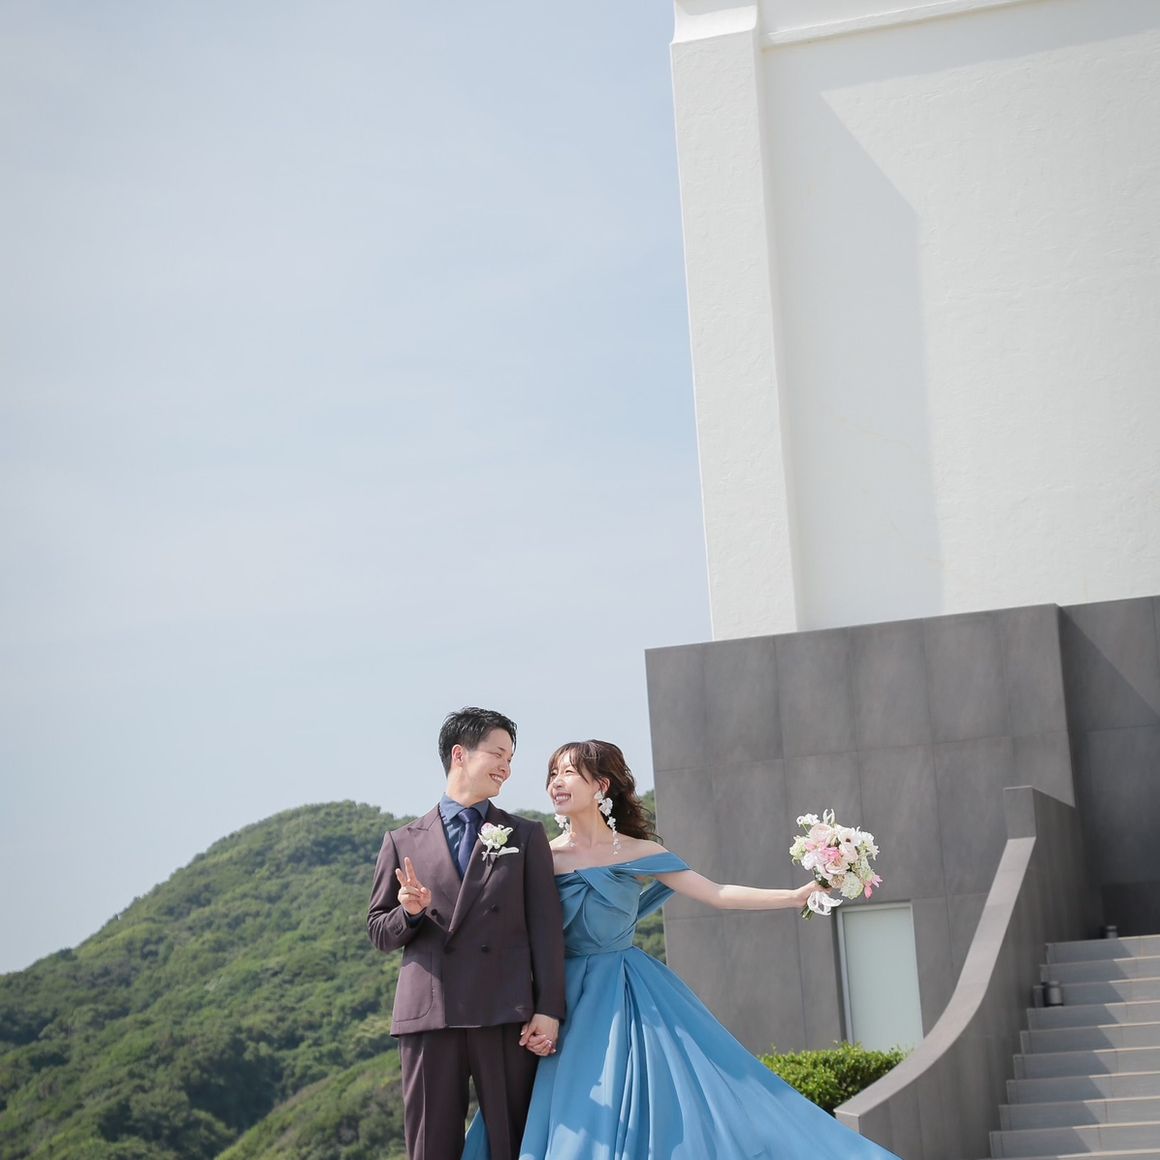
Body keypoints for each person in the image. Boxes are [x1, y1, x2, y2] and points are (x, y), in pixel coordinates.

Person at [462, 739, 902, 1160]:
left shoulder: (639, 851)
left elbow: (717, 893)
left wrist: (794, 896)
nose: (556, 782)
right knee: (570, 1112)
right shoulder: (540, 855)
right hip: (560, 1000)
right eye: (553, 773)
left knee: (670, 1108)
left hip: (628, 995)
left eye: (569, 772)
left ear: (601, 786)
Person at [367, 707, 566, 1160]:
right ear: (460, 754)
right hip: (430, 1014)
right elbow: (379, 932)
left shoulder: (524, 835)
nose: (506, 768)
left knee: (517, 1146)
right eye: (498, 754)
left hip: (504, 1014)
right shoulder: (402, 840)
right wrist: (409, 914)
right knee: (430, 1149)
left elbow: (546, 931)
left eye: (510, 758)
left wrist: (549, 1009)